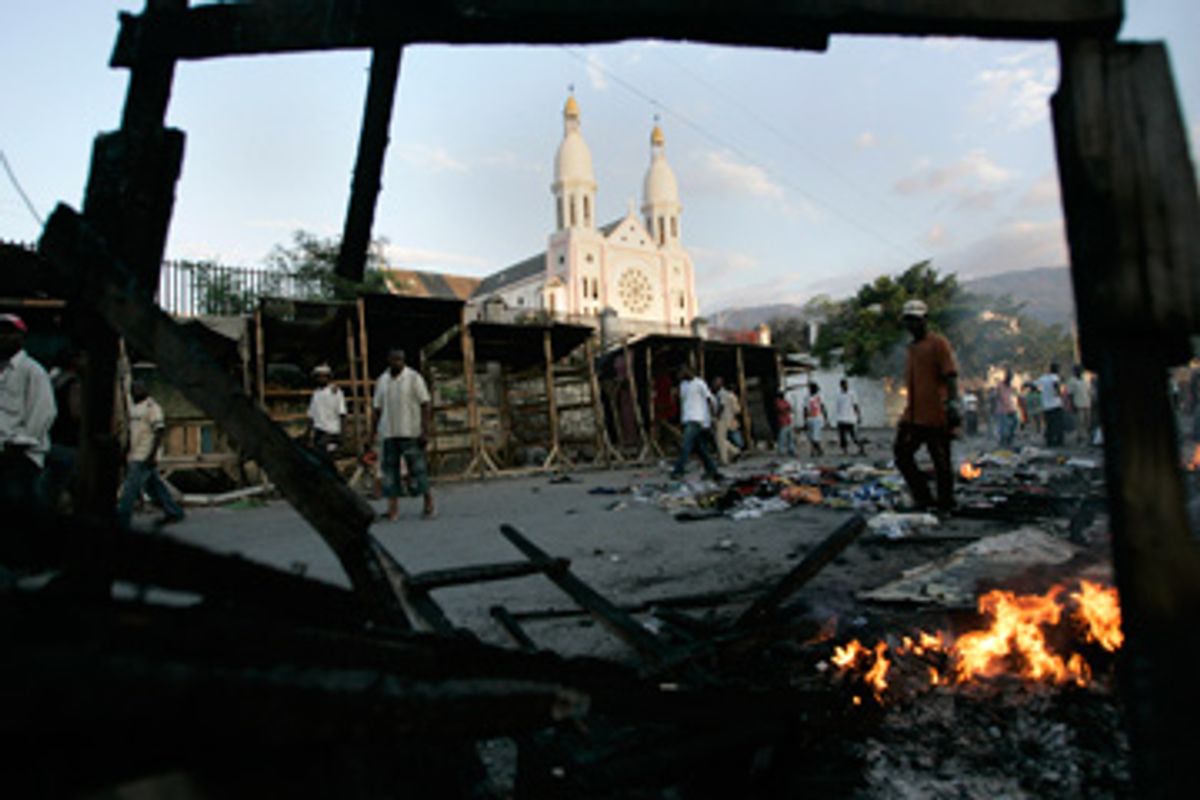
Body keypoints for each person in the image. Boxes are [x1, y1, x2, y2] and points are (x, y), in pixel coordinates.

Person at [893, 299, 959, 514]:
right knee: (902, 454)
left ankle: (945, 502)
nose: (912, 325)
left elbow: (950, 376)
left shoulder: (938, 344)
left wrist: (952, 404)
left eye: (915, 320)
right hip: (914, 414)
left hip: (936, 413)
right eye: (908, 321)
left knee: (941, 460)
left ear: (925, 320)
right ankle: (923, 497)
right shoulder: (912, 348)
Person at [0, 314, 56, 514]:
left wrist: (19, 443)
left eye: (9, 332)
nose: (3, 337)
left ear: (21, 337)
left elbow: (44, 412)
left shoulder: (32, 371)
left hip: (21, 458)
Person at [371, 348, 435, 521]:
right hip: (389, 432)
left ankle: (428, 503)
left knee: (418, 470)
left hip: (410, 431)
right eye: (394, 359)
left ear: (404, 361)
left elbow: (425, 404)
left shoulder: (414, 378)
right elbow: (377, 409)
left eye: (400, 360)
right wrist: (372, 433)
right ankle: (393, 511)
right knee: (390, 473)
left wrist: (424, 431)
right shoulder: (382, 381)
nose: (397, 362)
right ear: (388, 360)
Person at [116, 380, 185, 527]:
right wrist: (126, 451)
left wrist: (152, 455)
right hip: (135, 453)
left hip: (145, 455)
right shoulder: (134, 409)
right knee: (154, 487)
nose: (135, 392)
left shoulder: (152, 407)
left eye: (138, 389)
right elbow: (132, 432)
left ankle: (122, 519)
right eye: (133, 389)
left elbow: (159, 432)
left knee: (130, 488)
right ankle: (174, 512)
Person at [39, 347, 84, 513]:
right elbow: (76, 412)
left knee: (50, 485)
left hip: (51, 437)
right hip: (68, 441)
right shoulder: (73, 383)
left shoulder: (52, 379)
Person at [670, 365, 723, 481]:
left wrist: (713, 416)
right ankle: (713, 471)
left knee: (686, 445)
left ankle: (678, 471)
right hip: (687, 418)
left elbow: (709, 399)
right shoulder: (683, 386)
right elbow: (683, 404)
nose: (679, 376)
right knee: (701, 449)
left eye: (681, 372)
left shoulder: (699, 383)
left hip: (698, 419)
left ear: (687, 372)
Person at [307, 364, 346, 463]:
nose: (321, 379)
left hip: (331, 431)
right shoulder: (316, 394)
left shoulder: (335, 392)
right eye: (319, 376)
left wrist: (341, 435)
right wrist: (308, 434)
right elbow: (311, 416)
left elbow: (342, 414)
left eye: (323, 376)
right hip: (319, 432)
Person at [711, 375, 742, 465]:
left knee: (720, 439)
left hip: (722, 419)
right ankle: (735, 451)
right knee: (721, 439)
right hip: (725, 418)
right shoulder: (720, 394)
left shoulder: (722, 393)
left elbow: (721, 406)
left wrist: (716, 418)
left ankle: (724, 460)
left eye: (715, 382)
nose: (713, 384)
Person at [1035, 363, 1065, 447]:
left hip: (1046, 406)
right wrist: (1058, 393)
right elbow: (1056, 385)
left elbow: (1033, 384)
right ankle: (1059, 441)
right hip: (1056, 404)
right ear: (1056, 370)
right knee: (1058, 424)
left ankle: (1050, 441)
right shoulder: (1055, 377)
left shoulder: (1043, 378)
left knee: (1049, 424)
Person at [833, 378, 865, 456]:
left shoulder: (852, 394)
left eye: (846, 384)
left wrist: (858, 416)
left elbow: (855, 405)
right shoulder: (838, 395)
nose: (845, 386)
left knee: (853, 436)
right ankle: (845, 451)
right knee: (842, 437)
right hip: (841, 418)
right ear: (841, 386)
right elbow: (838, 407)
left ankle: (861, 448)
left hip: (850, 418)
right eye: (843, 384)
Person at [1067, 365, 1092, 445]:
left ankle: (1088, 437)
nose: (1079, 372)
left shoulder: (1085, 380)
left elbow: (1089, 391)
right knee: (1080, 422)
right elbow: (1070, 394)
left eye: (1080, 370)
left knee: (1087, 421)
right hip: (1078, 403)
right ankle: (1080, 437)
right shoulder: (1072, 381)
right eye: (1077, 370)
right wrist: (1071, 404)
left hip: (1087, 403)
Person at [994, 369, 1019, 448]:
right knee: (1003, 427)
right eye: (1009, 377)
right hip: (1002, 409)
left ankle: (1009, 440)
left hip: (1011, 408)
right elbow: (998, 396)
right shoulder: (1000, 385)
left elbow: (1014, 395)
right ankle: (1003, 443)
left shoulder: (1010, 386)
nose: (1010, 379)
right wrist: (1004, 402)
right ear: (1006, 377)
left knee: (1014, 423)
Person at [804, 381, 830, 457]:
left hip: (817, 418)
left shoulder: (819, 397)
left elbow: (822, 407)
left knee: (816, 437)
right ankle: (818, 450)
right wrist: (805, 420)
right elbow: (805, 409)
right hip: (810, 418)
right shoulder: (807, 397)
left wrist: (826, 418)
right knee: (811, 436)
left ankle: (814, 450)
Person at [774, 389, 796, 457]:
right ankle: (781, 451)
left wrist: (788, 409)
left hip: (788, 421)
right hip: (783, 422)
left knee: (791, 437)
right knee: (782, 438)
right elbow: (781, 409)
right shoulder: (777, 402)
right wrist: (787, 409)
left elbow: (790, 408)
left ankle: (791, 450)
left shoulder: (785, 401)